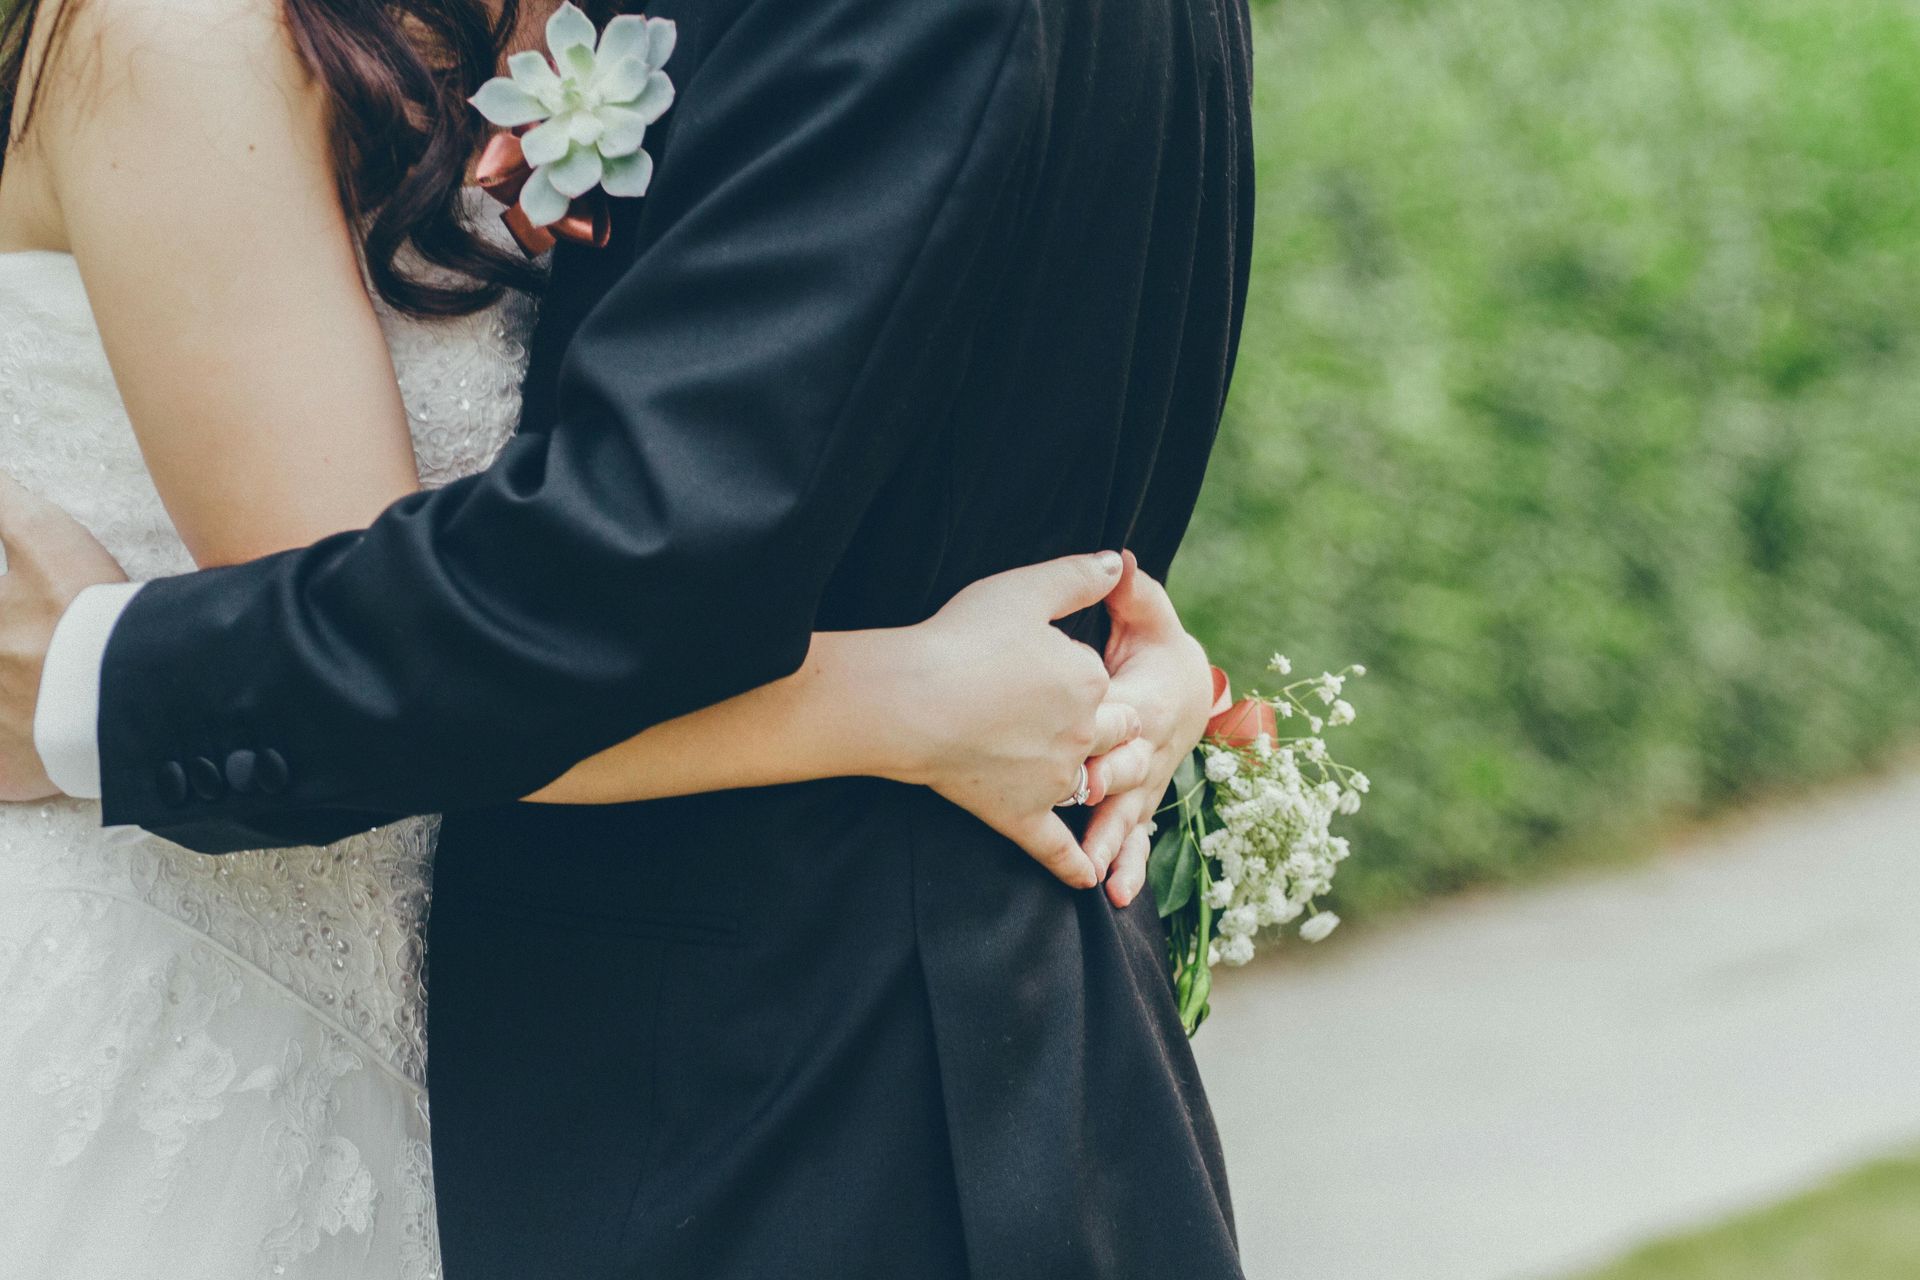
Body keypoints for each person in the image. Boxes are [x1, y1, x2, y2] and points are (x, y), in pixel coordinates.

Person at [0, 0, 1253, 1275]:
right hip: (242, 996)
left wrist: (1080, 667)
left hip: (703, 1044)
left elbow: (662, 537)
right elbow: (482, 613)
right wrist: (918, 698)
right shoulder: (178, 39)